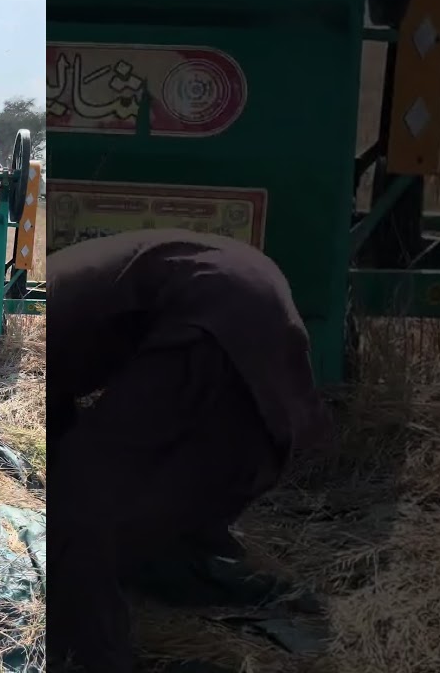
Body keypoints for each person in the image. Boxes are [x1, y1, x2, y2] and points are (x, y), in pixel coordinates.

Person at [45, 229, 329, 673]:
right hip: (247, 284)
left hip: (213, 305)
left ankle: (92, 654)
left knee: (82, 490)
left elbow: (73, 460)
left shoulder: (52, 320)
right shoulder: (62, 297)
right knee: (183, 472)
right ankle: (194, 571)